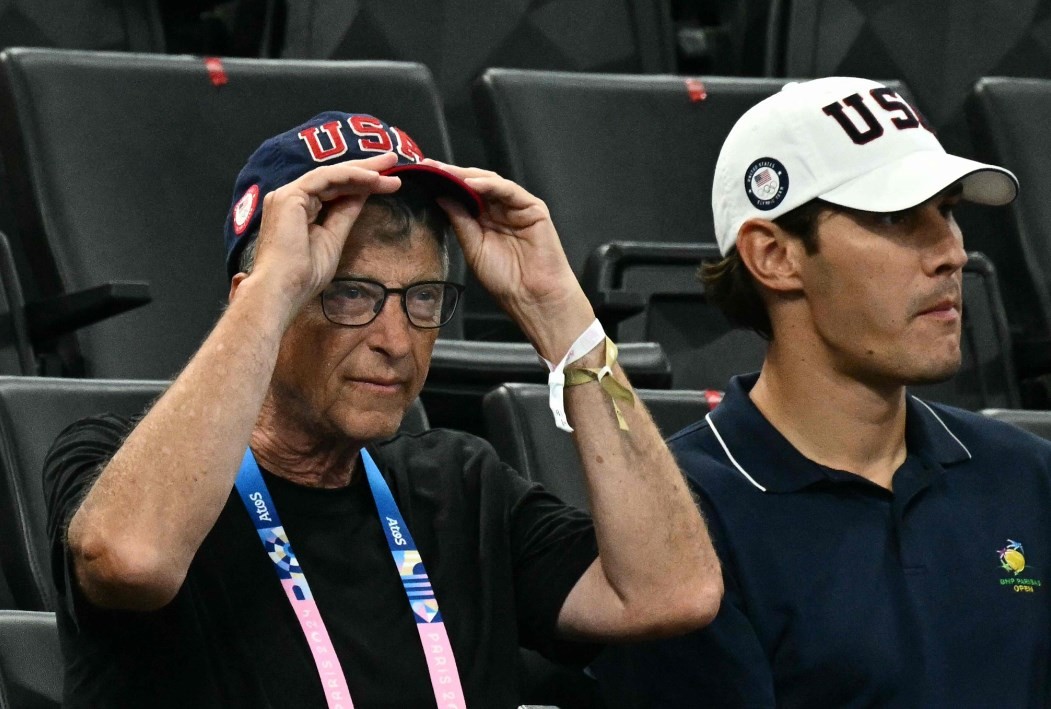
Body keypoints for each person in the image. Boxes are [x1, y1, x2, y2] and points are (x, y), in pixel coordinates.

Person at [42, 111, 723, 708]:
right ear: (262, 297)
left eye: (422, 298)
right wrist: (271, 290)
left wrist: (563, 317)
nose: (395, 340)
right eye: (347, 293)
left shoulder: (460, 486)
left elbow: (672, 589)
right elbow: (131, 557)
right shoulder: (112, 464)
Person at [592, 76, 1051, 707]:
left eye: (946, 211)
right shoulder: (677, 519)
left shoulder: (1026, 475)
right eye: (895, 216)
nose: (952, 252)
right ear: (774, 255)